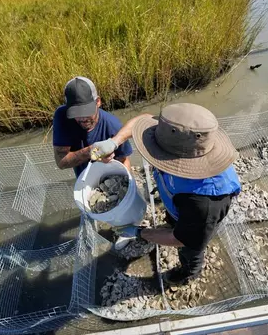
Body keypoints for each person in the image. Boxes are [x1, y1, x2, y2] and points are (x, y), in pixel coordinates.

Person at [91, 103, 241, 285]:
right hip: (180, 202)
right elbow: (143, 119)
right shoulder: (179, 133)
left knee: (191, 251)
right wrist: (114, 142)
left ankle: (188, 273)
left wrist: (140, 232)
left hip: (196, 222)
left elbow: (179, 239)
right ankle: (173, 220)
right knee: (174, 220)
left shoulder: (204, 203)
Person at [52, 76, 133, 177]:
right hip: (84, 177)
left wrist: (126, 186)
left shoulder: (113, 127)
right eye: (76, 113)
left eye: (86, 111)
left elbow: (124, 160)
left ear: (98, 102)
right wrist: (93, 151)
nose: (82, 118)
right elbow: (61, 163)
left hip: (110, 174)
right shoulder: (62, 116)